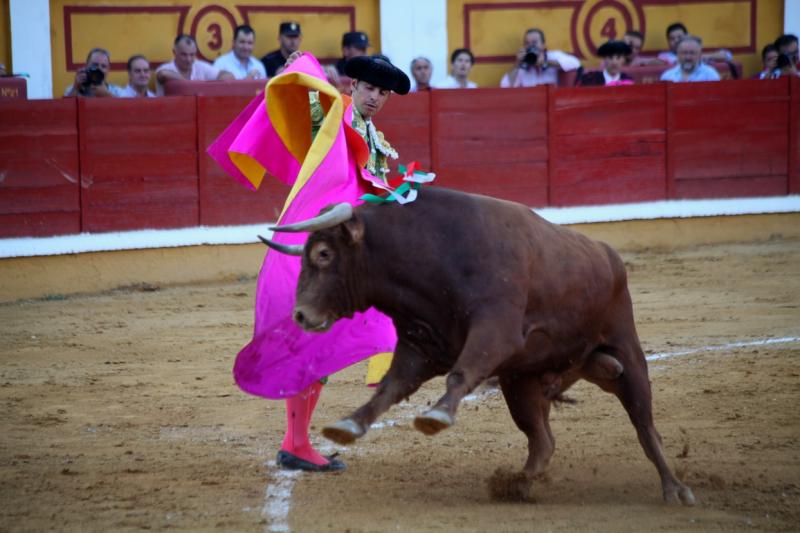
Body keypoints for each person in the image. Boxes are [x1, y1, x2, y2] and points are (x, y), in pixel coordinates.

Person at [208, 52, 409, 473]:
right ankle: (295, 443)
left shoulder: (375, 139)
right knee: (313, 341)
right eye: (369, 88)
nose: (375, 98)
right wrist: (303, 66)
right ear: (353, 87)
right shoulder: (334, 120)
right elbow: (311, 103)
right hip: (316, 254)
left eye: (383, 93)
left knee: (329, 340)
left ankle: (295, 441)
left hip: (346, 258)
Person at [500, 28, 580, 87]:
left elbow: (575, 63)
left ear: (543, 45)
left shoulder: (552, 56)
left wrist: (544, 63)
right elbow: (505, 85)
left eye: (534, 42)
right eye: (527, 43)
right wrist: (517, 64)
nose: (530, 46)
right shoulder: (523, 65)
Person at [156, 35, 234, 95]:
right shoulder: (165, 68)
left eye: (192, 55)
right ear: (174, 52)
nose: (188, 59)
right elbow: (163, 74)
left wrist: (213, 87)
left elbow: (228, 75)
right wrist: (190, 85)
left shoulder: (200, 66)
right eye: (184, 55)